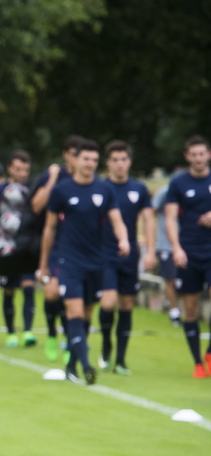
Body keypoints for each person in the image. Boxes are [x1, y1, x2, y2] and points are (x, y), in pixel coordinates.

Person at [38, 139, 129, 385]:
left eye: (94, 160)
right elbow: (49, 228)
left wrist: (124, 239)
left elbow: (117, 220)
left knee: (87, 314)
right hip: (70, 262)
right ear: (75, 160)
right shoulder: (62, 191)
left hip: (96, 263)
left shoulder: (104, 190)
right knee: (75, 311)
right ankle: (86, 365)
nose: (90, 164)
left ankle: (70, 365)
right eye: (86, 159)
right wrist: (44, 263)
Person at [97, 140, 156, 375]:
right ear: (108, 163)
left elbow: (149, 219)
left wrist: (150, 250)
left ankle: (121, 360)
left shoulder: (139, 189)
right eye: (115, 160)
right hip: (105, 254)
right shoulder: (101, 188)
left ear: (129, 161)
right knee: (108, 302)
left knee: (127, 305)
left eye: (123, 159)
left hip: (130, 255)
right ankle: (105, 345)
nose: (119, 164)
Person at [30, 134, 84, 361]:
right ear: (65, 155)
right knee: (52, 293)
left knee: (70, 298)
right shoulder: (55, 176)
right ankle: (52, 333)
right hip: (54, 245)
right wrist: (52, 179)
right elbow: (36, 206)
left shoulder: (89, 182)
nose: (78, 160)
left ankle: (69, 342)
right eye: (73, 155)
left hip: (79, 247)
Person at [165, 135, 211, 378]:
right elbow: (171, 218)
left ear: (208, 155)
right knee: (191, 309)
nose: (198, 158)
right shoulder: (178, 183)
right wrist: (176, 247)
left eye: (202, 153)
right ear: (187, 157)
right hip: (189, 252)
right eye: (193, 154)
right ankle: (197, 363)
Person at [0, 150, 37, 348]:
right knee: (9, 290)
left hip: (28, 247)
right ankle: (11, 332)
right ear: (10, 169)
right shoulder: (1, 189)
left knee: (29, 288)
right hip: (7, 247)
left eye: (25, 170)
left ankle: (28, 331)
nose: (22, 173)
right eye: (18, 169)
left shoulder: (32, 189)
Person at [152, 180, 181, 326]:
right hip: (166, 244)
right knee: (171, 279)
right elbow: (152, 212)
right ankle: (174, 312)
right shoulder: (164, 192)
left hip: (188, 243)